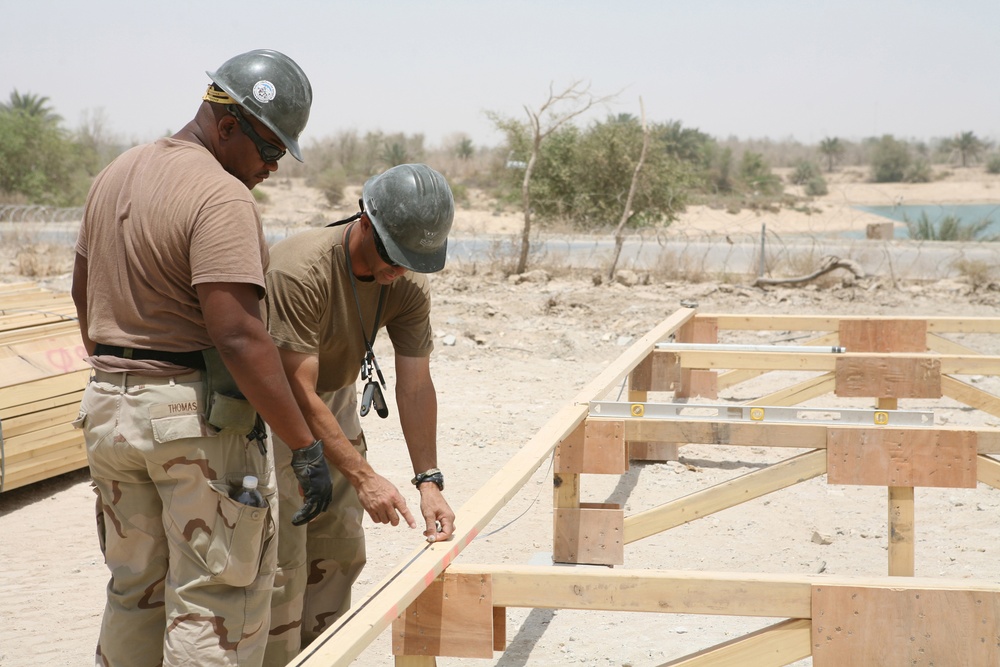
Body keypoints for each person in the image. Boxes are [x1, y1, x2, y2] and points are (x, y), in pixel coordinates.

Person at [71, 49, 335, 667]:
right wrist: (304, 445)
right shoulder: (222, 197)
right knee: (216, 601)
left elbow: (84, 291)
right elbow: (240, 336)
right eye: (269, 150)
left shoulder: (117, 172)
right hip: (189, 421)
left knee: (134, 592)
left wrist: (123, 372)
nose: (271, 167)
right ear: (226, 126)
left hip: (108, 408)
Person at [262, 163, 458, 665]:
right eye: (394, 256)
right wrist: (365, 475)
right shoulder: (300, 269)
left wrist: (428, 481)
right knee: (281, 559)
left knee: (339, 551)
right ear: (365, 222)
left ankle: (322, 655)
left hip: (335, 401)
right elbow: (295, 390)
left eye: (413, 260)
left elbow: (415, 385)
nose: (399, 271)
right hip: (272, 408)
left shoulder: (406, 284)